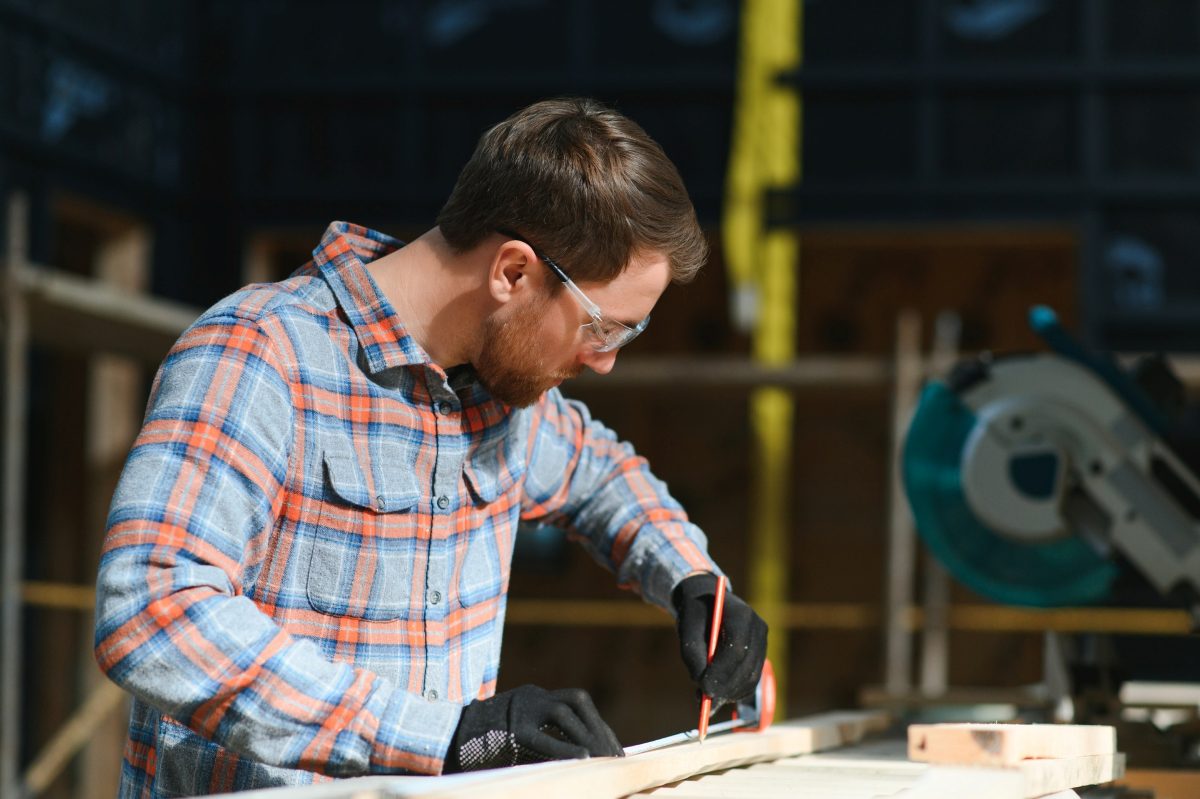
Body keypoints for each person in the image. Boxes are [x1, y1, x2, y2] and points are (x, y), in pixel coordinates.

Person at [94, 97, 768, 795]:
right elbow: (151, 611)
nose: (605, 360)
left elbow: (601, 474)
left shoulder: (502, 397)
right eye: (603, 327)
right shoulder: (262, 354)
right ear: (512, 271)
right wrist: (447, 735)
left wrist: (691, 578)